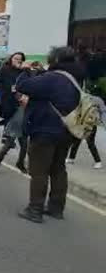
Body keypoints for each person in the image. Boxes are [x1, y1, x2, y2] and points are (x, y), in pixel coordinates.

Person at [14, 47, 82, 223]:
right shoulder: (75, 79)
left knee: (39, 171)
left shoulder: (52, 78)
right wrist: (39, 72)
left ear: (55, 60)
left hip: (45, 130)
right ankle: (56, 208)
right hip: (67, 131)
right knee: (58, 169)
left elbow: (22, 87)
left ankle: (34, 209)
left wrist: (25, 71)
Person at [0, 52, 25, 135]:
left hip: (19, 98)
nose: (17, 61)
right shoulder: (5, 69)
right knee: (8, 116)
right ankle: (6, 136)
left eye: (19, 59)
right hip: (7, 97)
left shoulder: (23, 71)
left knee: (16, 117)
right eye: (15, 58)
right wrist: (2, 93)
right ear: (11, 59)